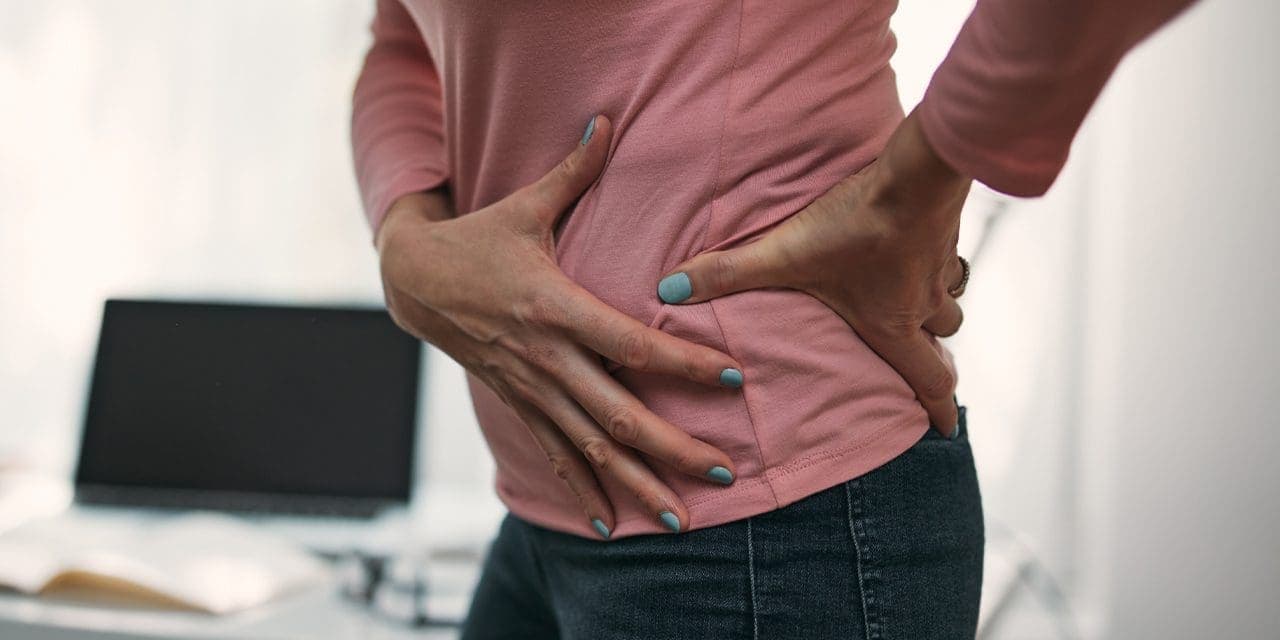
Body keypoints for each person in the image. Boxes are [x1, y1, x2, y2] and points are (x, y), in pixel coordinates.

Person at [351, 1, 1196, 637]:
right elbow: (402, 40)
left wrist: (924, 179)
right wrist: (405, 243)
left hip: (766, 523)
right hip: (546, 509)